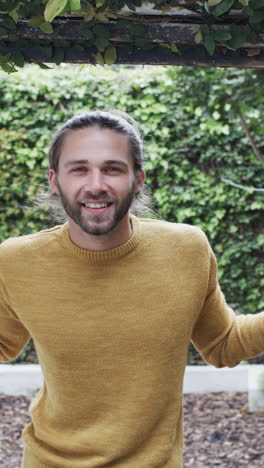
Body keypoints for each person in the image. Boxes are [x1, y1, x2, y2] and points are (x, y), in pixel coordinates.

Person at [0, 110, 263, 468]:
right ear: (54, 180)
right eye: (79, 169)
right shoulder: (15, 261)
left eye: (112, 168)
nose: (95, 184)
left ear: (138, 179)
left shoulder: (187, 249)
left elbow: (223, 344)